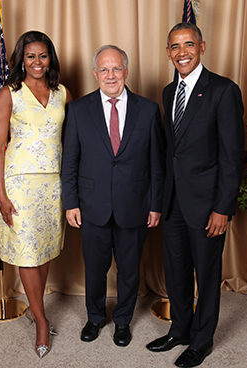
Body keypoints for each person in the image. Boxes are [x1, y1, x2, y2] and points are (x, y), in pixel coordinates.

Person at [145, 23, 244, 367]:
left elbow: (232, 157)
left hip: (207, 205)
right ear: (168, 51)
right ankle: (180, 329)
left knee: (207, 273)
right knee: (175, 271)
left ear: (203, 47)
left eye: (189, 44)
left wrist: (223, 208)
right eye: (175, 46)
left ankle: (202, 341)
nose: (182, 52)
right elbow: (170, 151)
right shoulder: (169, 92)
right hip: (173, 202)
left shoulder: (223, 90)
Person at [61, 45, 165, 347]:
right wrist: (72, 203)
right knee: (94, 269)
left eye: (116, 68)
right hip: (92, 207)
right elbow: (70, 162)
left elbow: (157, 163)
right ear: (95, 74)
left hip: (135, 205)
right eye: (104, 70)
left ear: (126, 72)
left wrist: (155, 204)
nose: (110, 75)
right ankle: (94, 318)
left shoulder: (147, 109)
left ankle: (122, 321)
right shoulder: (78, 110)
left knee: (130, 270)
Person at [0, 30, 72, 359]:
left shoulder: (62, 92)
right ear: (21, 59)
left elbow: (70, 141)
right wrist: (3, 195)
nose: (37, 62)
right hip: (19, 185)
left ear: (50, 58)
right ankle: (40, 320)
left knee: (44, 249)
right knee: (26, 253)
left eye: (43, 56)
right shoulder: (9, 93)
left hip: (53, 184)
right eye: (30, 56)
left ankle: (38, 309)